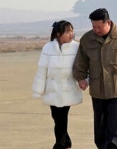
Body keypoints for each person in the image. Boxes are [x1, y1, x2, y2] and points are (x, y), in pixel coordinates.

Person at [73, 8, 117, 149]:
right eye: (93, 27)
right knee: (100, 120)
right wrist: (81, 78)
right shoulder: (87, 39)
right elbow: (81, 61)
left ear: (108, 22)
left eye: (99, 27)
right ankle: (102, 145)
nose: (96, 30)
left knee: (116, 118)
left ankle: (112, 146)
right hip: (97, 87)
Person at [32, 20, 83, 149]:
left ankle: (59, 144)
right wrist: (38, 90)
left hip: (67, 88)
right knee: (56, 117)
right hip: (52, 89)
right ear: (58, 34)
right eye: (67, 31)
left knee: (61, 117)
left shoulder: (76, 47)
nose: (71, 34)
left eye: (72, 31)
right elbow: (42, 69)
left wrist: (84, 80)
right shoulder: (48, 47)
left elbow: (81, 67)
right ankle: (67, 142)